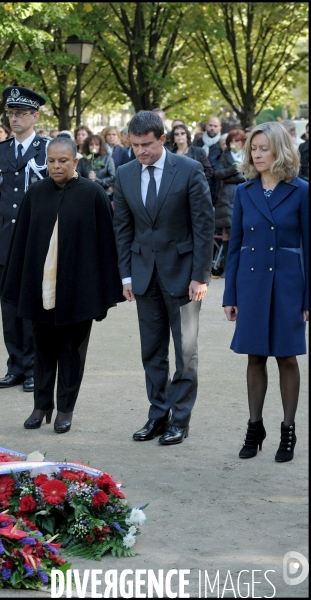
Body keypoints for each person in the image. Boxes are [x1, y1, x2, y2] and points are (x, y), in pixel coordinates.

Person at [0, 136, 124, 433]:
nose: (56, 166)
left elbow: (106, 246)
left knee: (72, 351)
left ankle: (65, 409)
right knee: (42, 348)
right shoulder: (36, 193)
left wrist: (104, 295)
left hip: (78, 290)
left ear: (75, 161)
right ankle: (41, 405)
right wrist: (17, 287)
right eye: (52, 161)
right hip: (42, 287)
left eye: (63, 161)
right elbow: (22, 244)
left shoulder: (93, 194)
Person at [113, 111, 214, 445]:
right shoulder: (125, 173)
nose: (141, 151)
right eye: (135, 145)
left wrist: (201, 276)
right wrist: (126, 275)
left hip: (185, 276)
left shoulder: (189, 170)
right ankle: (158, 415)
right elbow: (123, 228)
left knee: (186, 353)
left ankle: (180, 420)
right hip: (143, 277)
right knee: (151, 352)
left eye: (146, 144)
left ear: (162, 139)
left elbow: (204, 226)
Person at [222, 121, 308, 463]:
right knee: (254, 356)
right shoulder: (244, 191)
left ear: (280, 151)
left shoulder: (301, 190)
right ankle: (254, 427)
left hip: (288, 283)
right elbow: (235, 245)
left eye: (263, 149)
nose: (257, 155)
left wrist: (308, 298)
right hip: (252, 283)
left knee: (287, 357)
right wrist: (230, 294)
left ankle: (288, 430)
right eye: (253, 149)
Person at [0, 86, 49, 393]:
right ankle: (15, 365)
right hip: (5, 240)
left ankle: (35, 369)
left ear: (35, 116)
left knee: (32, 307)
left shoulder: (47, 149)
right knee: (9, 306)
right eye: (11, 113)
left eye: (21, 114)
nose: (14, 119)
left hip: (34, 241)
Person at [212, 129, 247, 278]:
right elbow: (218, 174)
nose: (234, 144)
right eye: (232, 141)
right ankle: (227, 267)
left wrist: (231, 176)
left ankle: (242, 267)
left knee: (242, 230)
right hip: (227, 196)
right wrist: (234, 170)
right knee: (227, 232)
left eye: (237, 141)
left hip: (244, 193)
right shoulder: (225, 155)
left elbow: (249, 176)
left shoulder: (248, 155)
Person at [193, 116, 223, 205]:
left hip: (216, 185)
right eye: (210, 125)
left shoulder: (222, 144)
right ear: (206, 126)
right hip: (199, 182)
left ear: (220, 128)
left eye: (215, 126)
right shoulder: (197, 142)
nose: (212, 128)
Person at [77, 134, 116, 200]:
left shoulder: (107, 159)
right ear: (87, 146)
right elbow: (77, 177)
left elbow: (113, 177)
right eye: (91, 144)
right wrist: (87, 180)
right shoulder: (82, 160)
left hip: (104, 193)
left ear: (100, 146)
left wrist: (97, 180)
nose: (94, 147)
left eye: (97, 144)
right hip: (86, 193)